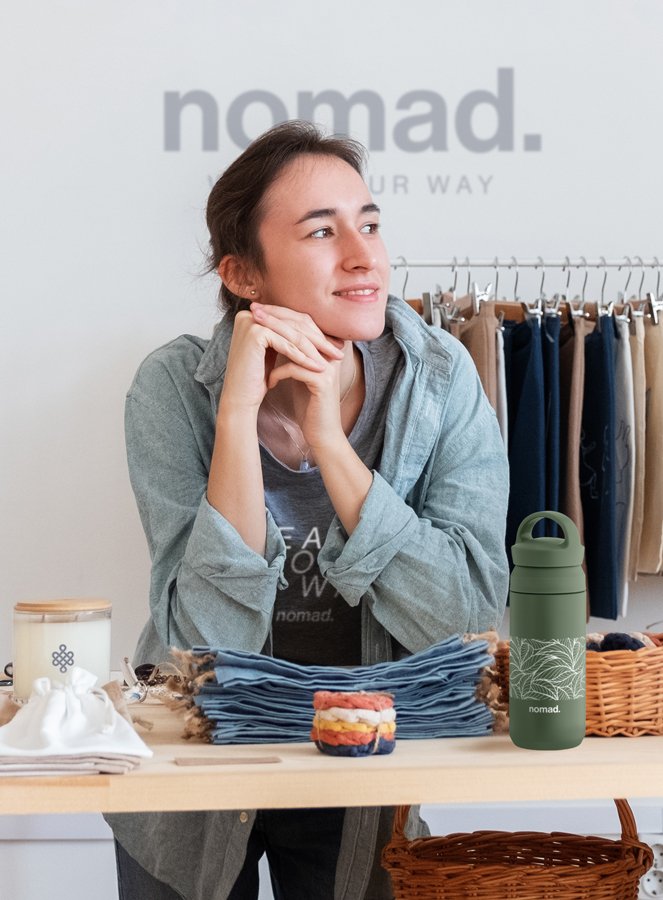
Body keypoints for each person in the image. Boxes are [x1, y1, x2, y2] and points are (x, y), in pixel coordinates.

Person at [106, 120, 510, 900]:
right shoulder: (169, 389)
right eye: (322, 231)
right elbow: (201, 640)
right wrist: (235, 416)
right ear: (244, 274)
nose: (364, 256)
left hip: (366, 759)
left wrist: (329, 440)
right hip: (196, 759)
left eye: (369, 223)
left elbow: (463, 617)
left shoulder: (437, 378)